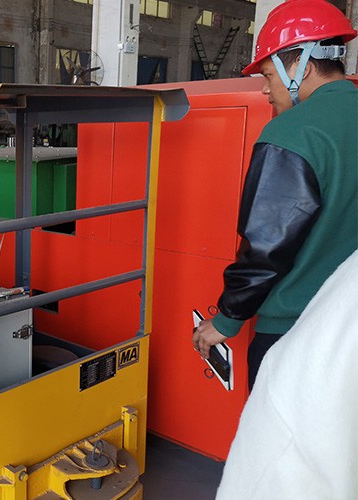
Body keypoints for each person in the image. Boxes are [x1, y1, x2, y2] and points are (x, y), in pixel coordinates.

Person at [192, 0, 357, 391]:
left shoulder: (292, 133)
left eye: (268, 74)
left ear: (301, 65)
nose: (265, 89)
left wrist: (226, 319)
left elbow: (266, 246)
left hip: (295, 334)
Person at [217, 249, 358, 498]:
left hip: (291, 323)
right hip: (335, 322)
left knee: (275, 448)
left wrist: (227, 320)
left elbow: (266, 247)